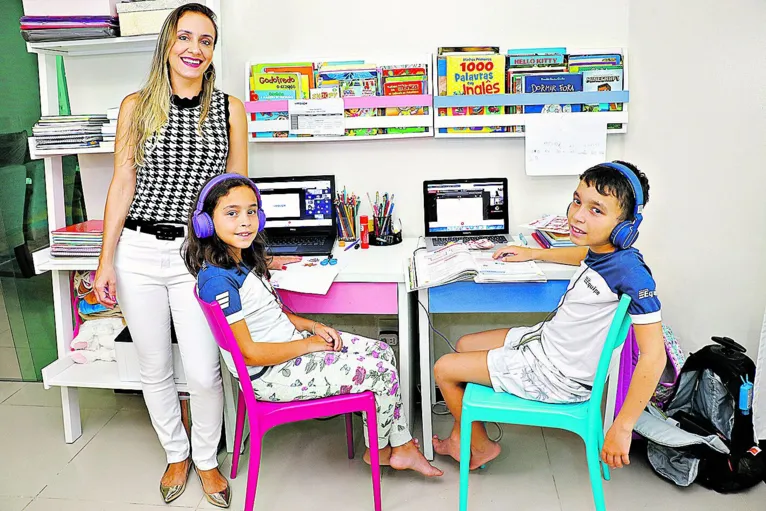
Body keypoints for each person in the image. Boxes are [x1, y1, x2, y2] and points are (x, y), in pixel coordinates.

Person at [92, 3, 262, 506]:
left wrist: (235, 256)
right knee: (152, 366)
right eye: (184, 37)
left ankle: (207, 461)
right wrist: (105, 259)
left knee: (204, 369)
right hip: (139, 252)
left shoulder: (230, 110)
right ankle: (176, 452)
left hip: (198, 256)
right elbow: (122, 183)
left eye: (205, 40)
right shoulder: (136, 106)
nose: (194, 49)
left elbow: (236, 190)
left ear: (213, 51)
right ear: (167, 43)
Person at [186, 174, 443, 478]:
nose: (245, 221)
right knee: (380, 372)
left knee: (383, 351)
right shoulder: (219, 280)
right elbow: (251, 354)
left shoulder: (240, 260)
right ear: (205, 221)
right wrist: (309, 344)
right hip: (270, 374)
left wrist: (312, 326)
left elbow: (274, 312)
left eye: (251, 211)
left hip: (289, 350)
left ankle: (394, 446)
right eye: (232, 213)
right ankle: (385, 450)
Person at [432, 161, 667, 471]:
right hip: (546, 345)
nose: (578, 215)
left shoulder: (633, 274)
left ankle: (479, 446)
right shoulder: (605, 252)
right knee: (464, 343)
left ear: (626, 225)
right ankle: (464, 435)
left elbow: (655, 356)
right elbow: (583, 254)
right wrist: (534, 253)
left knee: (444, 369)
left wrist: (623, 427)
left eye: (596, 210)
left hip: (558, 375)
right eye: (577, 200)